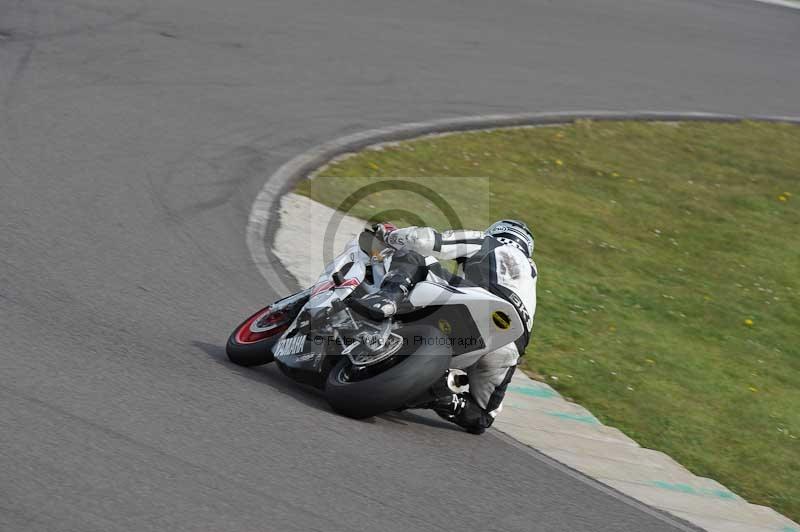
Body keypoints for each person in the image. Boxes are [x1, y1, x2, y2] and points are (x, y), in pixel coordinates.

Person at [349, 220, 537, 434]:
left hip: (482, 305)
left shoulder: (489, 242)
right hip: (510, 341)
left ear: (497, 232)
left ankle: (386, 298)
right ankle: (443, 394)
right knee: (483, 416)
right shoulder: (531, 273)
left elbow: (427, 241)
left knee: (415, 257)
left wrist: (391, 236)